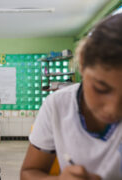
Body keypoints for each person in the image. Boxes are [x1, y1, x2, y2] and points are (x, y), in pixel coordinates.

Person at [21, 13, 122, 180]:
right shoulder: (58, 105)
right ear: (81, 64)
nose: (112, 109)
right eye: (100, 89)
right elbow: (28, 173)